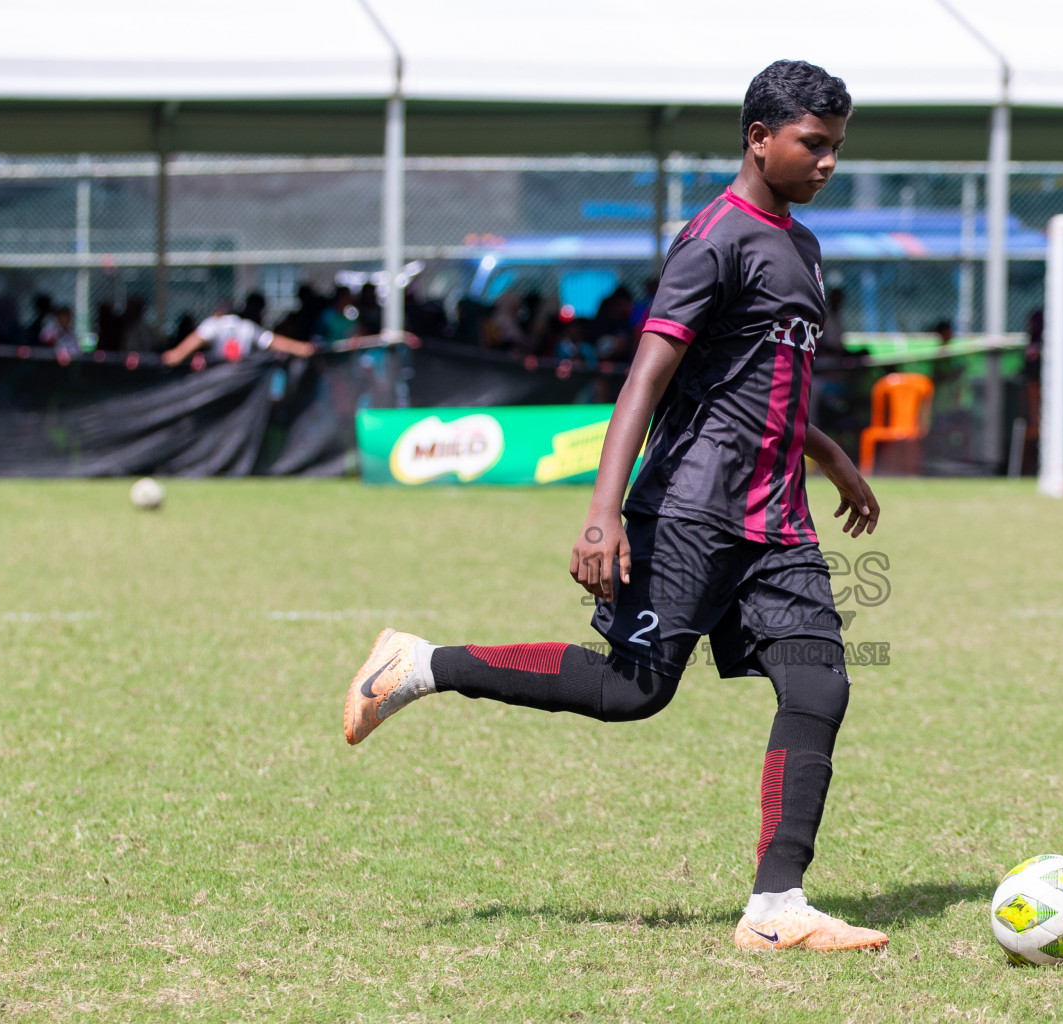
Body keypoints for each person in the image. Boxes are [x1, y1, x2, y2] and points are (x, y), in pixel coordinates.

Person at [341, 60, 888, 954]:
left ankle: (776, 909)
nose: (828, 163)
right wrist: (603, 512)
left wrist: (829, 456)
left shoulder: (803, 245)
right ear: (760, 139)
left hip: (776, 519)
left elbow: (761, 380)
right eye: (814, 145)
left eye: (836, 147)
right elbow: (648, 378)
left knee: (821, 680)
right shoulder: (714, 239)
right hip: (688, 511)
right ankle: (420, 663)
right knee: (631, 693)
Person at [160, 301, 318, 365]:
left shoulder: (214, 324)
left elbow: (179, 353)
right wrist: (302, 348)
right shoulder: (247, 327)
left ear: (218, 313)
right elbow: (273, 341)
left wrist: (171, 356)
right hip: (240, 382)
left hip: (218, 384)